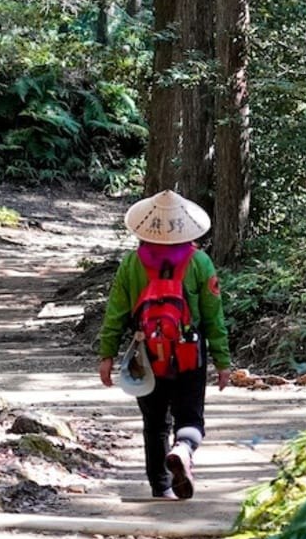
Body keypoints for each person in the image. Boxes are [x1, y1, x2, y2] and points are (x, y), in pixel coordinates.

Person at [98, 191, 232, 499]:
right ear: (186, 226)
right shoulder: (200, 262)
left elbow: (116, 312)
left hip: (145, 353)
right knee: (190, 416)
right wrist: (223, 362)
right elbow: (214, 316)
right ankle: (184, 448)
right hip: (190, 352)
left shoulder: (132, 264)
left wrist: (107, 354)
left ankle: (161, 486)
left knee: (155, 422)